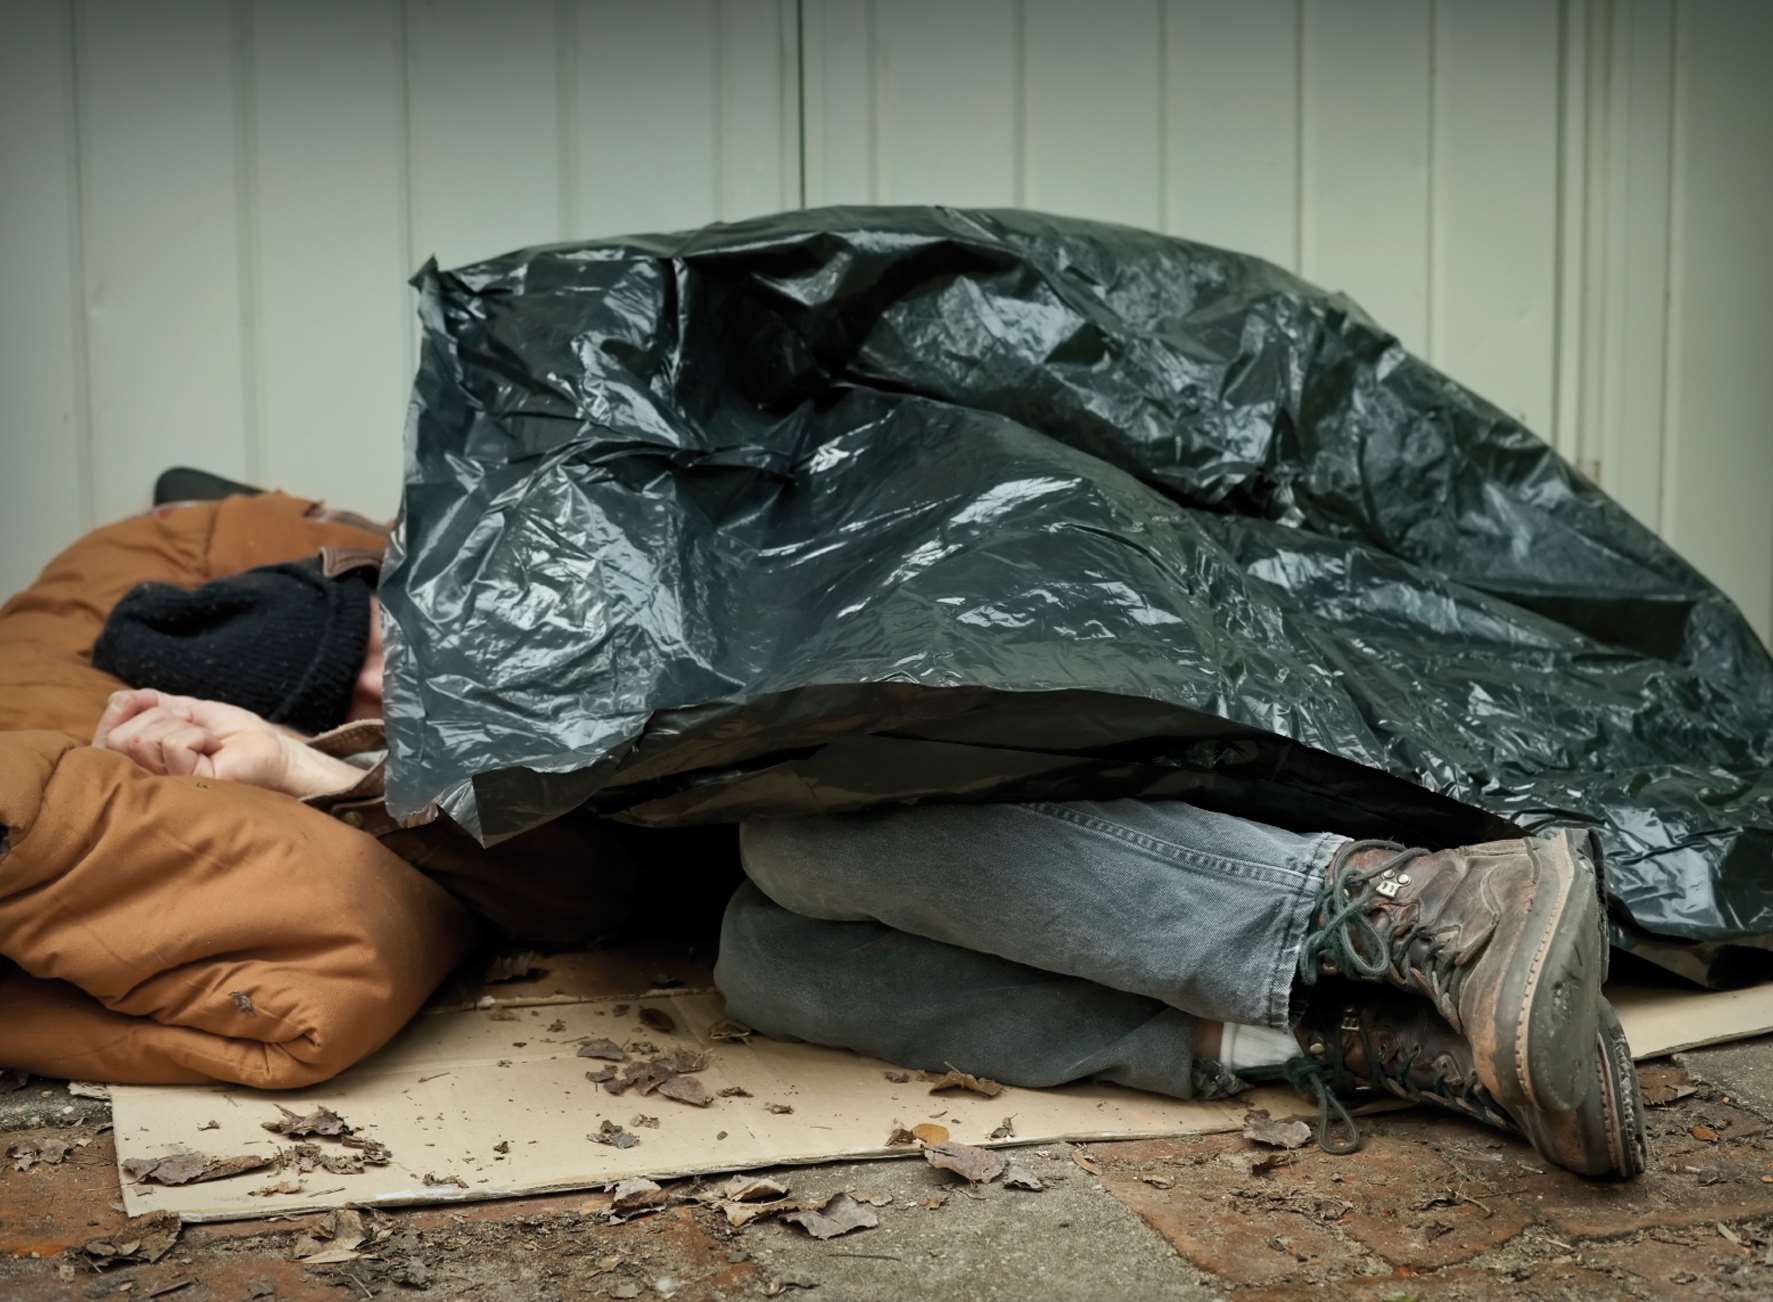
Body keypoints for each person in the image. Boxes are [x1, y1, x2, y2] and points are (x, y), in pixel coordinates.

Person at [88, 556, 1647, 1179]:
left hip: (990, 756)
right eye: (346, 693)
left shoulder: (517, 563)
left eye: (374, 652)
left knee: (790, 831)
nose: (388, 686)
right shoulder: (384, 768)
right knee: (762, 955)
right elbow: (599, 897)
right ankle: (1354, 1036)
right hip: (835, 862)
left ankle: (1406, 904)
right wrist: (328, 773)